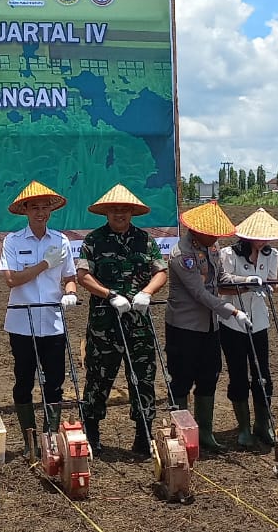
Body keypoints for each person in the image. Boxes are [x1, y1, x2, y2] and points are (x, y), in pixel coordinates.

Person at [76, 185, 167, 457]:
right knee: (98, 376)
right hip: (105, 322)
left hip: (138, 322)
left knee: (143, 377)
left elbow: (161, 272)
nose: (120, 214)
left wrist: (147, 292)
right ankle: (91, 432)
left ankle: (143, 434)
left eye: (124, 209)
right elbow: (83, 276)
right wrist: (110, 294)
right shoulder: (93, 240)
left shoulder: (145, 240)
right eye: (114, 209)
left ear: (132, 212)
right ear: (106, 212)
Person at [217, 208, 278, 450]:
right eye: (260, 236)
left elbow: (270, 284)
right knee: (239, 376)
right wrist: (248, 286)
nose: (264, 241)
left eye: (267, 236)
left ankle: (263, 423)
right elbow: (221, 288)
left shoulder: (272, 254)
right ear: (247, 235)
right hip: (233, 323)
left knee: (263, 375)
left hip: (259, 322)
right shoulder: (228, 255)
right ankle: (244, 428)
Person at [0, 181, 78, 455]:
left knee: (55, 381)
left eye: (46, 208)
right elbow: (11, 280)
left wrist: (69, 292)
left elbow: (69, 276)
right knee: (23, 380)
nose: (41, 212)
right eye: (35, 208)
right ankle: (29, 438)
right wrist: (44, 264)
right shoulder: (13, 240)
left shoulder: (61, 240)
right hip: (22, 322)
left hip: (54, 321)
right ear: (25, 210)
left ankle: (51, 435)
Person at [166, 201, 248, 453]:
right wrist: (232, 310)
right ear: (197, 230)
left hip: (210, 327)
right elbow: (199, 293)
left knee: (209, 376)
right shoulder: (182, 255)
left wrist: (250, 280)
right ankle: (181, 434)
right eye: (210, 233)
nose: (214, 238)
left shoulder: (212, 248)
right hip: (185, 327)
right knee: (181, 379)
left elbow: (221, 279)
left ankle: (205, 433)